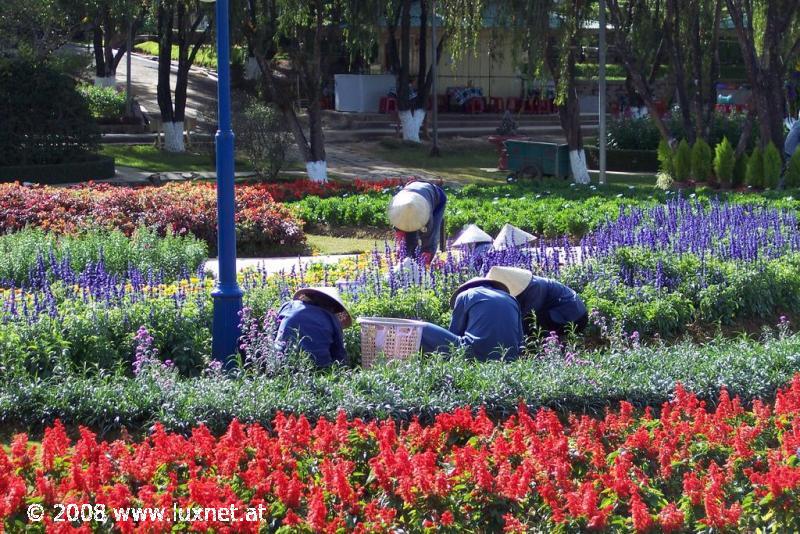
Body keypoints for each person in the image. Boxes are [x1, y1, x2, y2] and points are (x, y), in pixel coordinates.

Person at [420, 277, 523, 361]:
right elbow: (520, 339)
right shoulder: (511, 299)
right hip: (508, 356)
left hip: (475, 354)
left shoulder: (466, 295)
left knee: (421, 328)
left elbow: (455, 332)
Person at [487, 266, 588, 337]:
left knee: (531, 321)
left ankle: (543, 351)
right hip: (561, 314)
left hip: (574, 317)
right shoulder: (524, 288)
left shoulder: (535, 286)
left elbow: (530, 314)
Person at [275, 287, 351, 368]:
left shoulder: (289, 306)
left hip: (281, 364)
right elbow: (339, 353)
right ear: (332, 306)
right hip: (318, 368)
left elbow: (273, 331)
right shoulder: (331, 319)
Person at [388, 181, 447, 264]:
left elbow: (429, 236)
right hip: (413, 193)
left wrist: (426, 254)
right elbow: (399, 232)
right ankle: (409, 259)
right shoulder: (397, 207)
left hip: (438, 198)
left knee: (430, 239)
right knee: (408, 237)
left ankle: (424, 266)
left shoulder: (425, 214)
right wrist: (400, 248)